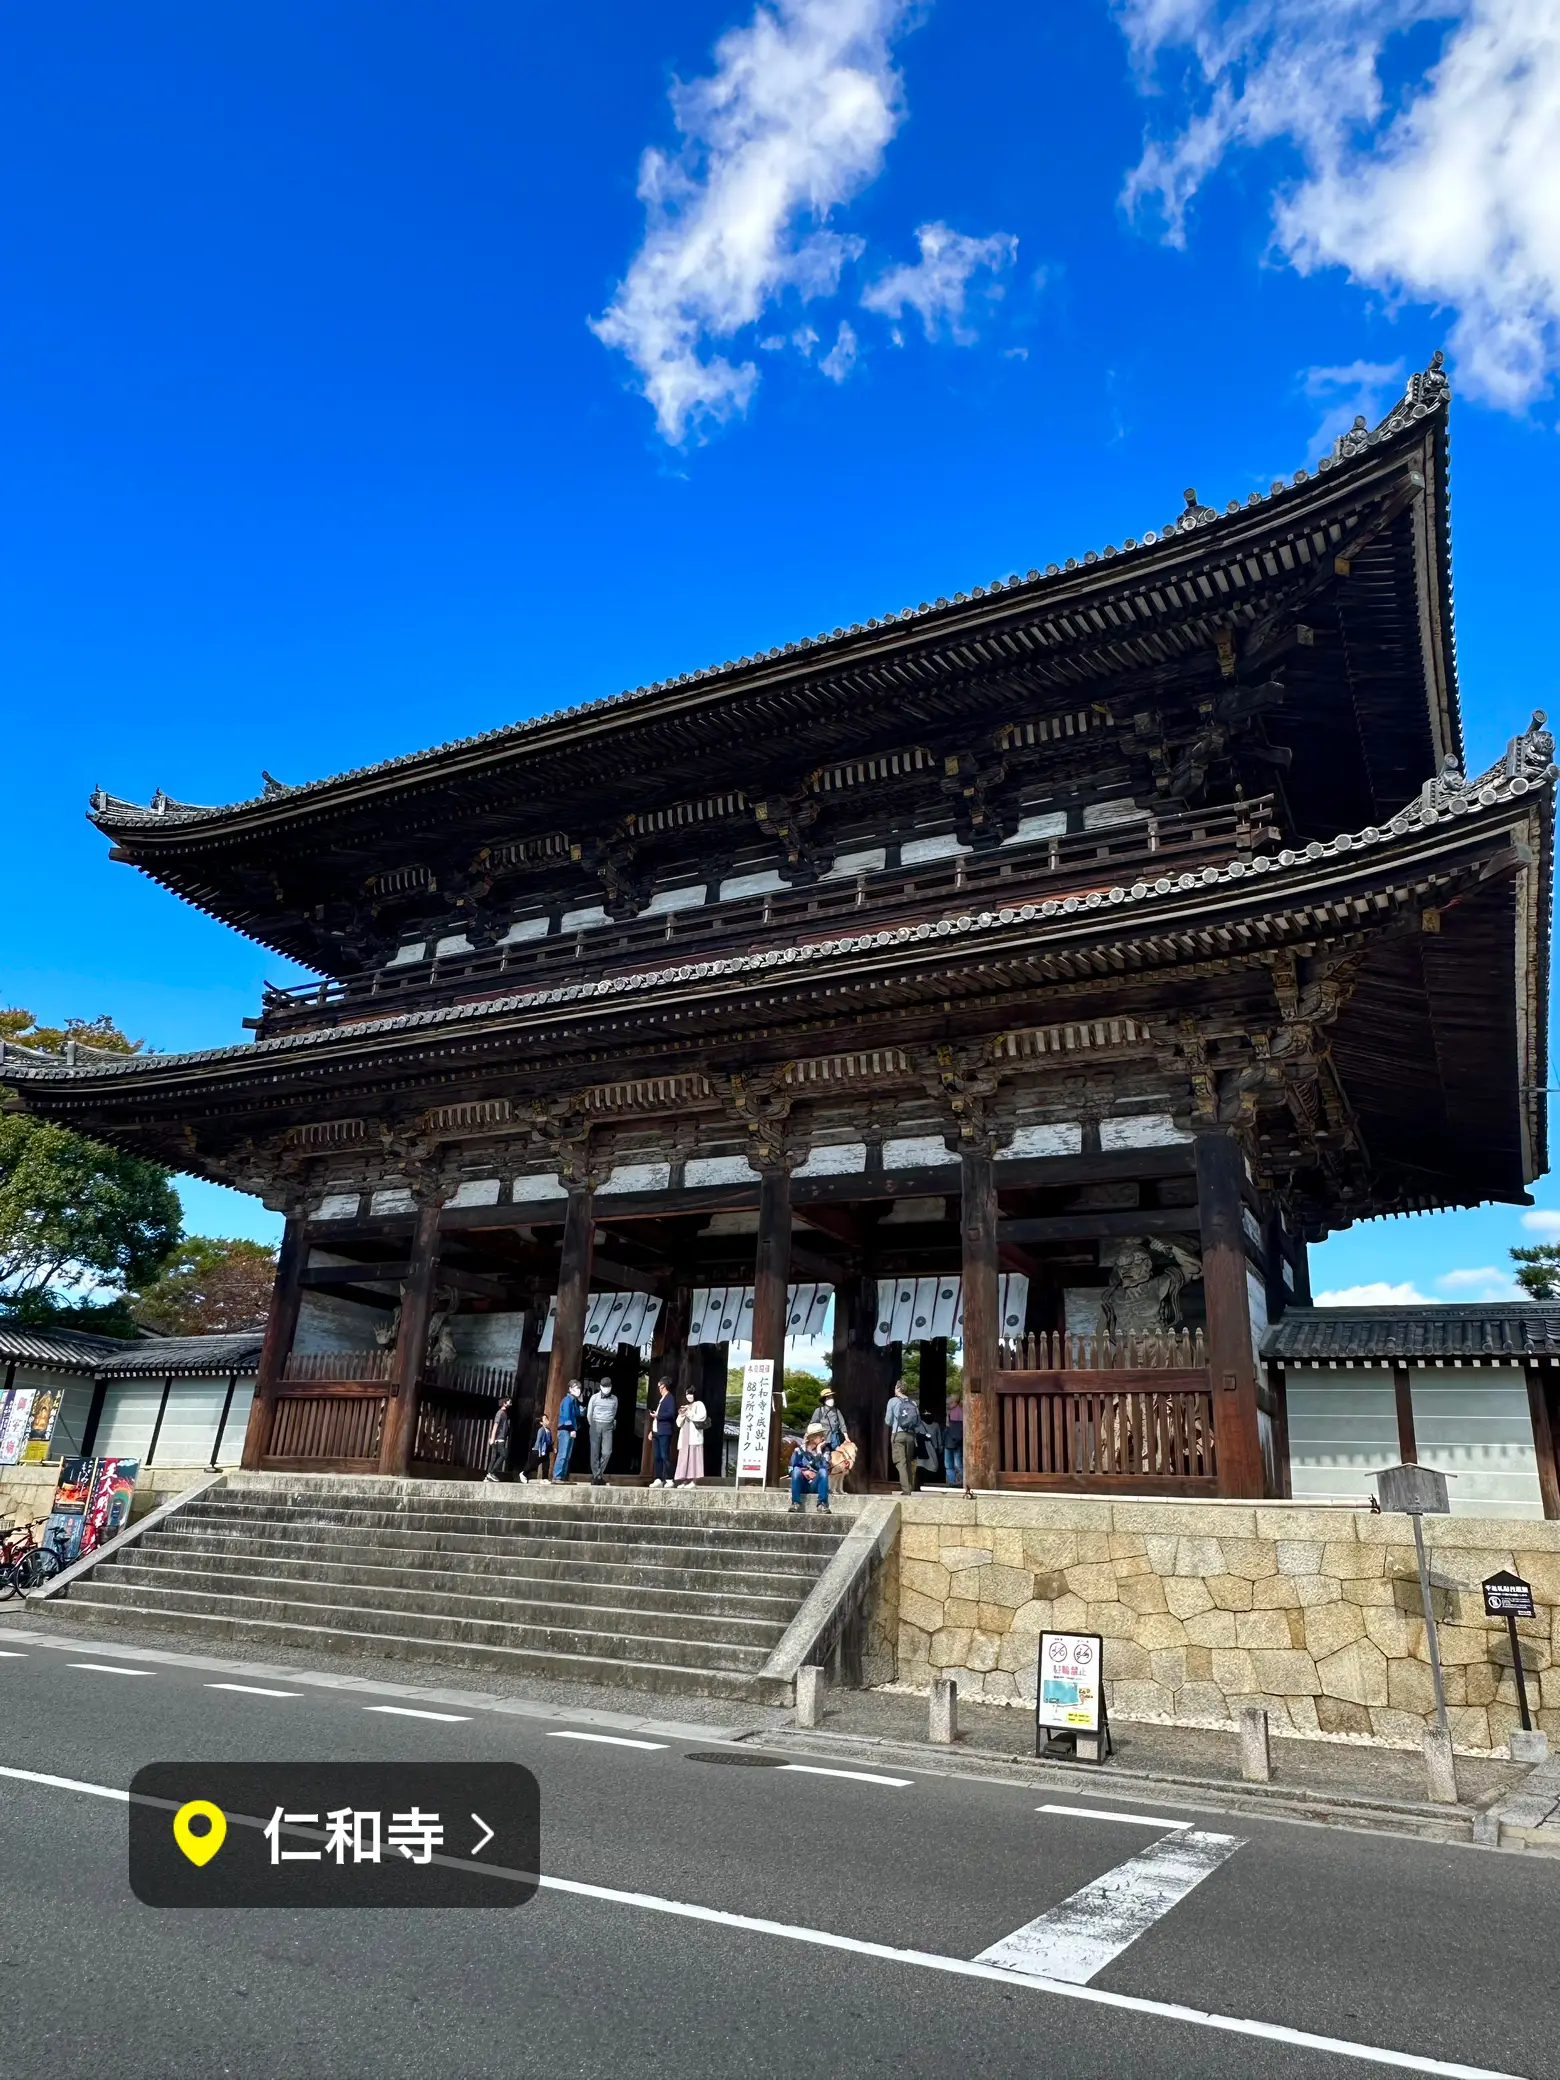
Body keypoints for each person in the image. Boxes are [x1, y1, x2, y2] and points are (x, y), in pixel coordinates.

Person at [815, 1386, 856, 1490]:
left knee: (840, 1464)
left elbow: (842, 1425)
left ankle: (836, 1488)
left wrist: (846, 1437)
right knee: (825, 1462)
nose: (831, 1399)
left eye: (831, 1397)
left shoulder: (837, 1412)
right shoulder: (818, 1411)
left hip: (835, 1440)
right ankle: (823, 1485)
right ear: (824, 1400)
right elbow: (813, 1425)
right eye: (828, 1398)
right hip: (823, 1440)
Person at [885, 1378, 921, 1495]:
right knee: (909, 1462)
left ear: (898, 1388)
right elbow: (918, 1422)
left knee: (901, 1463)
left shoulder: (893, 1401)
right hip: (910, 1436)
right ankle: (910, 1486)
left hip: (898, 1435)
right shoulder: (913, 1403)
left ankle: (906, 1490)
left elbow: (888, 1421)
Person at [788, 1426, 831, 1513]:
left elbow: (826, 1467)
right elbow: (790, 1469)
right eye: (820, 1435)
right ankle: (795, 1503)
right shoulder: (799, 1450)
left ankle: (822, 1504)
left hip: (816, 1484)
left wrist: (819, 1452)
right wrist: (804, 1472)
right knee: (796, 1470)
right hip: (802, 1484)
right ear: (812, 1438)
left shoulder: (825, 1451)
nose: (823, 1438)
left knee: (823, 1471)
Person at [586, 1378, 618, 1485]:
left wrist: (610, 1422)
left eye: (608, 1387)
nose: (606, 1389)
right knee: (594, 1451)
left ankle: (599, 1473)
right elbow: (589, 1413)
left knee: (607, 1452)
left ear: (611, 1387)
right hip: (595, 1424)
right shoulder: (594, 1398)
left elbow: (614, 1412)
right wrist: (593, 1424)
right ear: (600, 1387)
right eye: (604, 1387)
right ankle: (597, 1476)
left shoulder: (614, 1399)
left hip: (608, 1425)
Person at [674, 1385, 707, 1486]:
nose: (689, 1396)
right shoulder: (685, 1406)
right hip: (684, 1437)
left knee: (694, 1459)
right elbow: (678, 1424)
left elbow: (702, 1417)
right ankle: (685, 1480)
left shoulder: (699, 1404)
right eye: (687, 1394)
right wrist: (682, 1415)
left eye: (690, 1394)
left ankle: (694, 1481)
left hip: (694, 1437)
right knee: (684, 1459)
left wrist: (689, 1414)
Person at [552, 1379, 583, 1482]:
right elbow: (566, 1417)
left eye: (579, 1388)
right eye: (576, 1388)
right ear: (570, 1389)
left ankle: (563, 1476)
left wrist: (580, 1402)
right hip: (566, 1430)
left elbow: (579, 1414)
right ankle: (557, 1476)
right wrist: (571, 1429)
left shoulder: (574, 1402)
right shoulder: (567, 1400)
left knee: (567, 1455)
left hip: (570, 1430)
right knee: (563, 1454)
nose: (578, 1390)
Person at [649, 1377, 677, 1488]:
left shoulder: (669, 1398)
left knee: (665, 1455)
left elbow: (671, 1414)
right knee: (657, 1456)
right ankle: (658, 1478)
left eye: (660, 1386)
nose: (659, 1388)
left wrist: (658, 1415)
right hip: (657, 1431)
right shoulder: (661, 1399)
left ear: (663, 1386)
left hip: (664, 1431)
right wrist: (651, 1431)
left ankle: (669, 1478)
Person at [482, 1397, 511, 1484]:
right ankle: (492, 1472)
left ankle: (488, 1476)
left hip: (500, 1438)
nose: (510, 1403)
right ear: (504, 1403)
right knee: (503, 1455)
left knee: (494, 1457)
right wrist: (492, 1438)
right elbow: (495, 1425)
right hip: (499, 1438)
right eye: (509, 1402)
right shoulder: (500, 1413)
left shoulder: (504, 1413)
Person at [523, 1414, 551, 1483]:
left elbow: (549, 1441)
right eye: (545, 1419)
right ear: (541, 1423)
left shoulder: (548, 1430)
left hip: (545, 1450)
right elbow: (539, 1441)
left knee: (546, 1465)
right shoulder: (541, 1430)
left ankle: (545, 1478)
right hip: (538, 1450)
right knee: (533, 1464)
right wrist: (539, 1451)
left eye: (547, 1418)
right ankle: (524, 1473)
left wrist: (552, 1448)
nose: (547, 1420)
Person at [943, 1398, 965, 1489]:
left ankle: (953, 1482)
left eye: (950, 1402)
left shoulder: (954, 1412)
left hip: (950, 1440)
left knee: (950, 1464)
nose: (948, 1404)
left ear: (956, 1402)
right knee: (957, 1464)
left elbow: (949, 1427)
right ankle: (962, 1481)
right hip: (956, 1441)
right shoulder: (961, 1412)